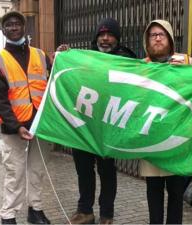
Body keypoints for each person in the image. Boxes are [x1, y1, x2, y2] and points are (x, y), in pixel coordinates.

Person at [56, 18, 136, 225]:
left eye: (110, 35)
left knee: (107, 172)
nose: (106, 39)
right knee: (83, 170)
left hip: (108, 128)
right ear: (96, 37)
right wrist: (64, 56)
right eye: (102, 35)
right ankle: (85, 211)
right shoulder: (83, 58)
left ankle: (107, 214)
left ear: (117, 39)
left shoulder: (126, 59)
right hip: (84, 126)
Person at [0, 11, 52, 225]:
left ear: (25, 28)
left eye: (17, 24)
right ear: (3, 30)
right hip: (14, 128)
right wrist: (15, 126)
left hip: (40, 124)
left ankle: (36, 209)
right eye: (9, 25)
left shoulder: (41, 55)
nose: (14, 27)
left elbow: (55, 82)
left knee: (37, 170)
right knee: (14, 173)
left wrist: (61, 57)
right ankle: (8, 215)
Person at [139, 19, 192, 225]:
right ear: (147, 41)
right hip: (151, 142)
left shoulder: (186, 62)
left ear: (170, 39)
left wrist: (186, 70)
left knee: (175, 195)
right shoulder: (140, 67)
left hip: (177, 142)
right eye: (152, 35)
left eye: (161, 34)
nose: (157, 38)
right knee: (153, 194)